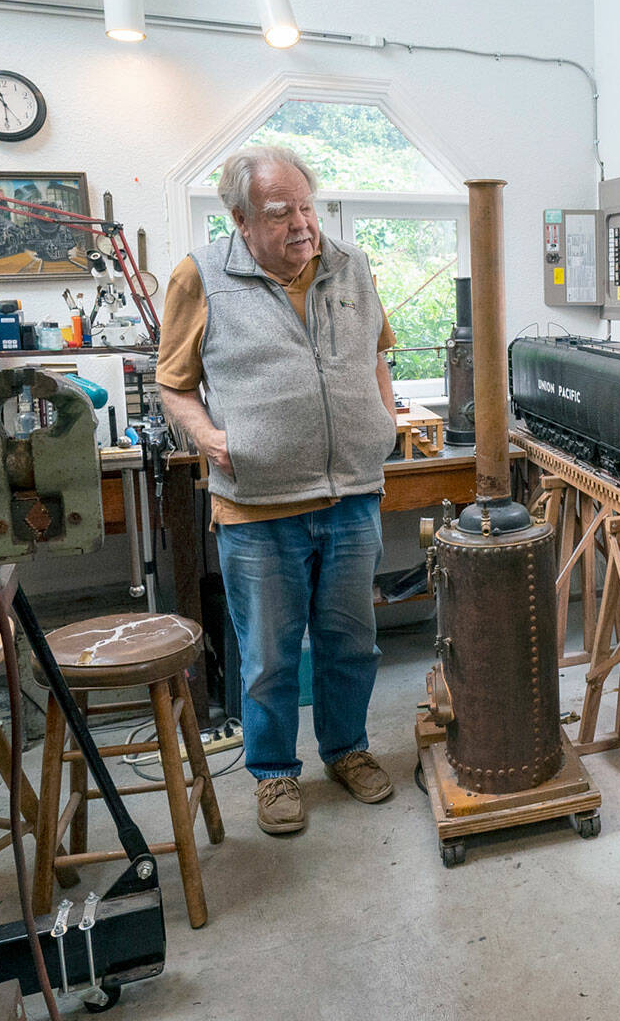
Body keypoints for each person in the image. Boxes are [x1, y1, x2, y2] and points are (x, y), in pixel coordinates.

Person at [156, 144, 398, 835]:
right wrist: (208, 438)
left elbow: (379, 352)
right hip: (257, 507)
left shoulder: (351, 266)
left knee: (353, 642)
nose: (302, 225)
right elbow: (173, 384)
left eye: (307, 207)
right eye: (279, 212)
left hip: (353, 494)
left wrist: (381, 421)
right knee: (268, 654)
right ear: (238, 218)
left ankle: (346, 750)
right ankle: (273, 774)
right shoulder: (200, 277)